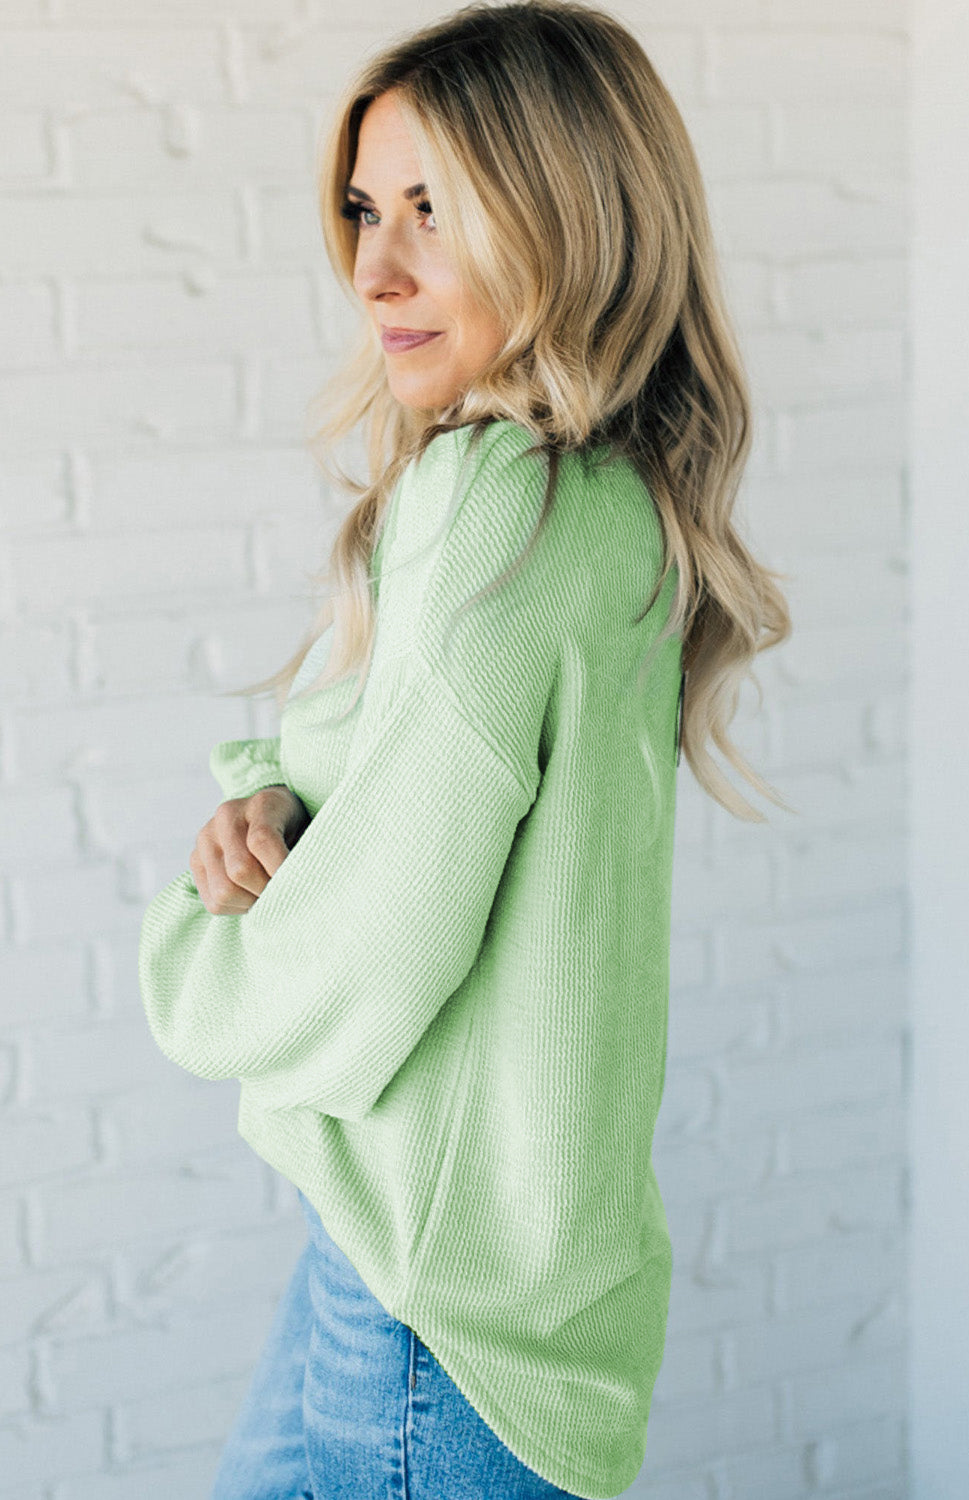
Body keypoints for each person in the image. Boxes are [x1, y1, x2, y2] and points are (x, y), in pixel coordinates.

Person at [137, 3, 793, 1497]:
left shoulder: (500, 506)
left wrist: (191, 961)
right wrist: (276, 800)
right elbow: (423, 804)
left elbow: (373, 951)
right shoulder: (606, 504)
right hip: (451, 1264)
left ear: (567, 210)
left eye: (435, 208)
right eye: (367, 210)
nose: (376, 267)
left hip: (431, 1315)